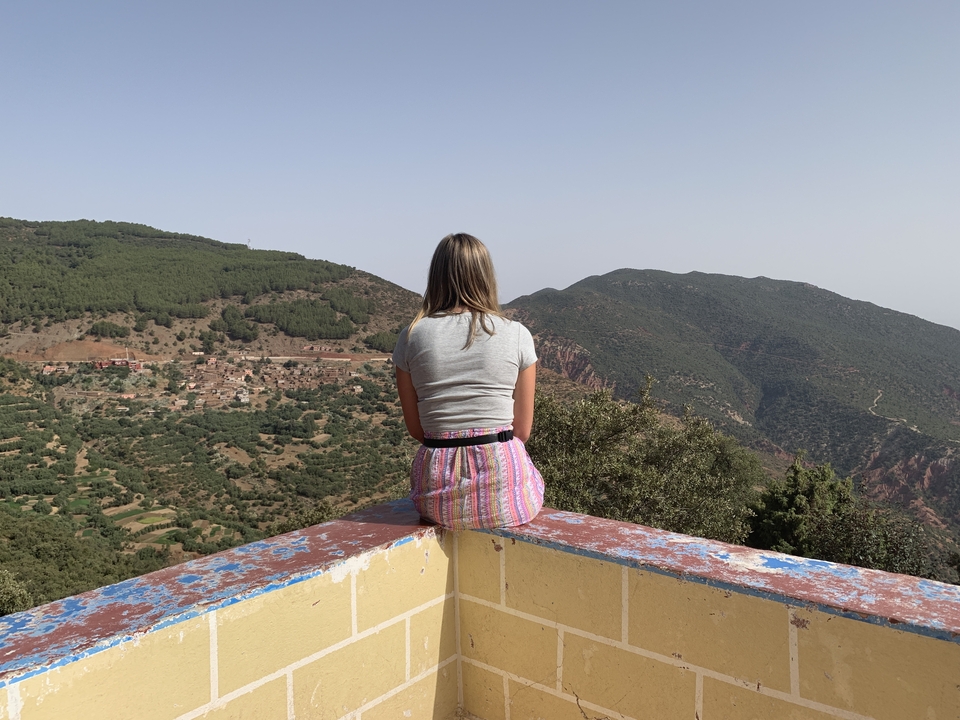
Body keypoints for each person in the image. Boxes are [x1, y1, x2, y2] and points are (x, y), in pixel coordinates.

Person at [392, 233, 544, 530]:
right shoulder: (517, 334)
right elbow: (522, 431)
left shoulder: (412, 335)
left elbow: (416, 429)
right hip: (504, 488)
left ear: (435, 276)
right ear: (486, 276)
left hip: (437, 493)